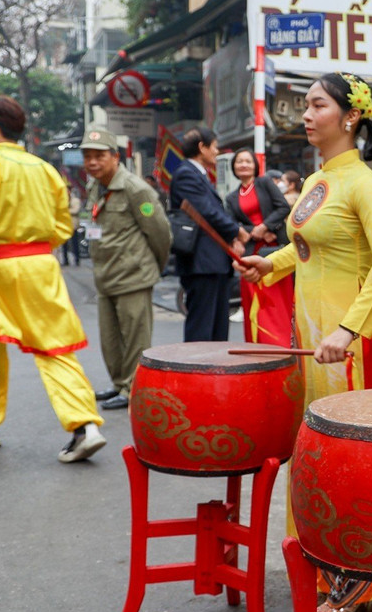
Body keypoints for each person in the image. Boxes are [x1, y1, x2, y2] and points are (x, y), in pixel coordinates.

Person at [238, 73, 372, 612]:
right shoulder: (318, 180)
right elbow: (311, 248)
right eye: (304, 106)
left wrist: (351, 330)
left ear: (350, 116)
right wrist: (274, 264)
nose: (305, 115)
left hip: (350, 344)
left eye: (317, 105)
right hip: (314, 339)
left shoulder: (361, 181)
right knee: (318, 452)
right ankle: (325, 560)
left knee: (351, 457)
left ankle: (359, 578)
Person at [0, 95, 107, 463]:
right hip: (41, 263)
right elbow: (64, 224)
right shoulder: (43, 167)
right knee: (54, 345)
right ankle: (85, 426)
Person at [80, 127, 171, 411]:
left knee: (135, 338)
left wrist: (153, 267)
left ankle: (133, 387)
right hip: (105, 275)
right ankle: (119, 382)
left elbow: (160, 233)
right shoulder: (95, 187)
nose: (93, 162)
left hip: (132, 275)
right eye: (88, 157)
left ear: (115, 157)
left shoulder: (135, 189)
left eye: (99, 156)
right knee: (110, 339)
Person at [169, 127, 245, 343]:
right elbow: (207, 211)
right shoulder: (186, 174)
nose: (217, 151)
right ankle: (196, 373)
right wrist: (236, 231)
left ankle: (214, 373)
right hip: (201, 262)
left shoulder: (198, 175)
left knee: (218, 326)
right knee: (202, 328)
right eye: (214, 146)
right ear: (201, 147)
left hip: (213, 261)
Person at [224, 149, 293, 346]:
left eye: (247, 161)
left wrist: (266, 226)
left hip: (275, 251)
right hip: (251, 250)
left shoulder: (264, 183)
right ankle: (257, 344)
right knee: (255, 301)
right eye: (239, 162)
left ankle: (281, 343)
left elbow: (283, 207)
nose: (243, 164)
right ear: (234, 167)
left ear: (255, 164)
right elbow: (232, 223)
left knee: (277, 301)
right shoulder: (231, 197)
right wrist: (255, 230)